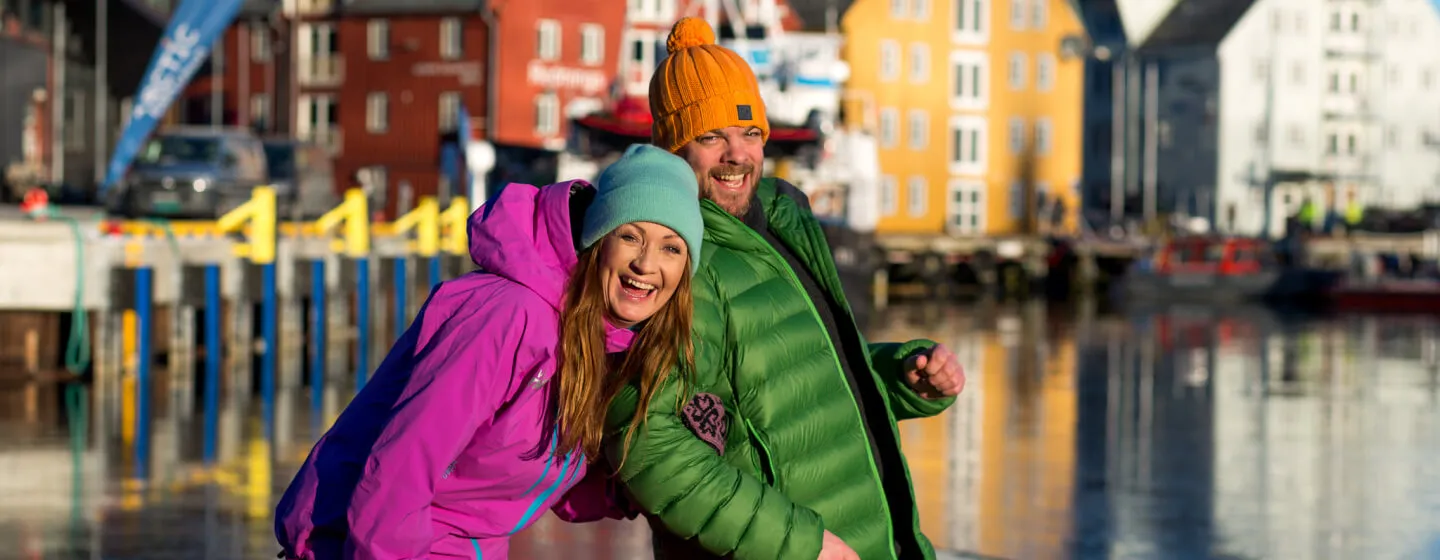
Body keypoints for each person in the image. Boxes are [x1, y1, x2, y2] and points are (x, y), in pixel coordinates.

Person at [603, 17, 967, 560]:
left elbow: (791, 388)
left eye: (750, 133)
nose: (737, 155)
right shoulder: (677, 261)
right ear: (673, 148)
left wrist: (899, 377)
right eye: (710, 137)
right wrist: (803, 545)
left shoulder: (781, 221)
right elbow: (647, 444)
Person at [273, 143, 705, 559]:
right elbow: (401, 469)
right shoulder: (509, 315)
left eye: (671, 247)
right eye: (630, 236)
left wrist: (651, 480)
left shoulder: (597, 338)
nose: (647, 265)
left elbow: (530, 482)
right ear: (598, 240)